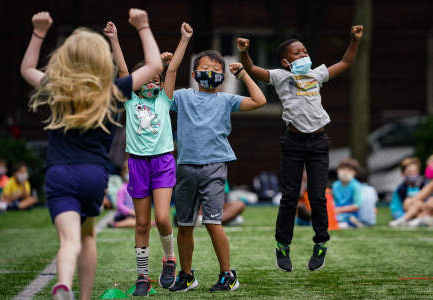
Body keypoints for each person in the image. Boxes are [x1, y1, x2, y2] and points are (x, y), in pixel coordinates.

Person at [20, 9, 162, 299]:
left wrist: (38, 33)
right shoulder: (111, 91)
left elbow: (26, 69)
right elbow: (154, 64)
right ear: (101, 61)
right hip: (94, 176)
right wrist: (143, 26)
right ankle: (83, 297)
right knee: (88, 236)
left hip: (60, 174)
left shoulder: (56, 89)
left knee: (69, 241)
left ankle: (62, 284)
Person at [238, 24, 363, 271]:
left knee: (317, 196)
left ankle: (321, 244)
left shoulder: (317, 74)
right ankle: (282, 246)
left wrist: (354, 40)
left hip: (318, 142)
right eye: (297, 52)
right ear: (285, 61)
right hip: (293, 143)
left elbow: (346, 62)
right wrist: (243, 52)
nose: (304, 54)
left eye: (304, 50)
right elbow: (252, 69)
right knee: (290, 197)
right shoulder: (281, 77)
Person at [105, 21, 194, 296]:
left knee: (165, 218)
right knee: (142, 223)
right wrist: (115, 39)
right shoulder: (130, 99)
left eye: (156, 79)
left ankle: (169, 259)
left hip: (163, 161)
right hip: (138, 164)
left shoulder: (163, 100)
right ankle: (142, 277)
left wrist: (184, 39)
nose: (153, 83)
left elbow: (174, 68)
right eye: (148, 79)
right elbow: (122, 70)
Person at [169, 49, 266, 292]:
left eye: (216, 71)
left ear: (223, 77)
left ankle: (227, 275)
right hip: (186, 168)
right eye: (205, 69)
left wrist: (243, 74)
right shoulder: (182, 97)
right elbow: (164, 97)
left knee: (213, 222)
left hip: (214, 167)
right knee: (184, 225)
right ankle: (187, 275)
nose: (210, 74)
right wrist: (168, 67)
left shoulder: (226, 99)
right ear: (194, 74)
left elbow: (260, 100)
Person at [390, 157, 428, 227]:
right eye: (410, 172)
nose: (413, 174)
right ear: (403, 174)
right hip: (406, 212)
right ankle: (412, 220)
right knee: (408, 202)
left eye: (415, 172)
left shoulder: (423, 184)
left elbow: (427, 203)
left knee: (416, 203)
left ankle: (410, 220)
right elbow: (399, 207)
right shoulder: (401, 189)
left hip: (421, 211)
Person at [332, 158, 363, 228]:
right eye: (342, 169)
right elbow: (333, 201)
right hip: (336, 212)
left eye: (349, 170)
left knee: (343, 220)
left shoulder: (356, 186)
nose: (345, 172)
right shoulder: (335, 185)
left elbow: (357, 206)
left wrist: (339, 210)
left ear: (355, 173)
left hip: (351, 213)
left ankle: (353, 222)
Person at [108, 161, 136, 228]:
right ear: (123, 174)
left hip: (134, 214)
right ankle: (116, 224)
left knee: (141, 220)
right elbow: (119, 205)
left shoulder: (138, 188)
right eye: (127, 172)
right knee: (135, 221)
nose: (130, 174)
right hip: (122, 215)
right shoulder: (122, 188)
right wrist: (130, 212)